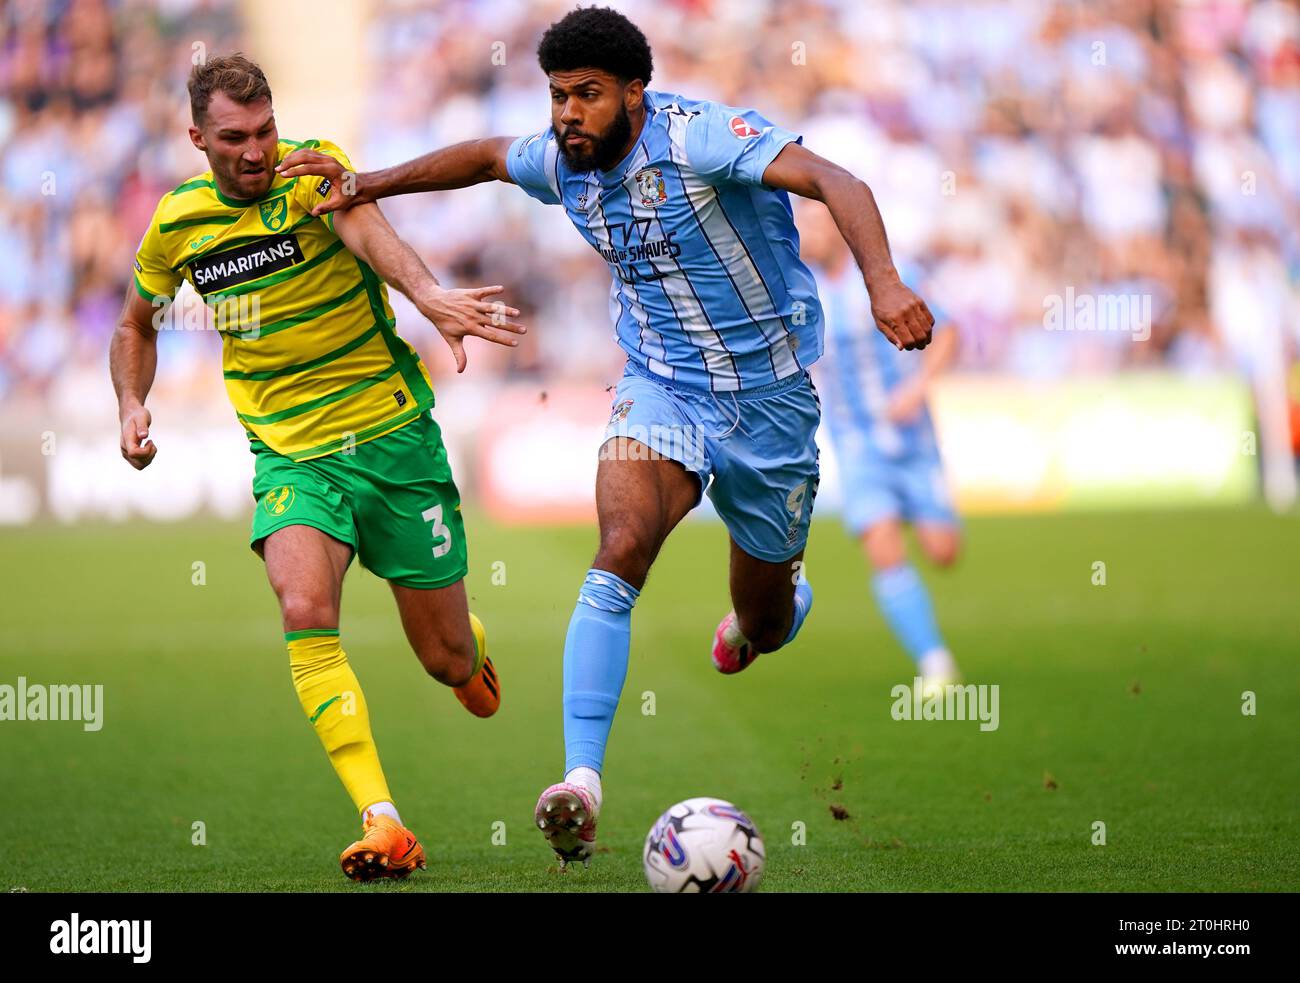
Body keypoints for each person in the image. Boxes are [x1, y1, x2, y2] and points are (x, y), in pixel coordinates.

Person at [279, 5, 933, 868]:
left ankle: (766, 613)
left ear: (634, 92)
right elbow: (482, 157)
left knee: (765, 622)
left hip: (770, 403)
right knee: (620, 543)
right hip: (660, 388)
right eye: (557, 96)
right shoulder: (563, 163)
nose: (567, 115)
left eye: (587, 95)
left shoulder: (703, 137)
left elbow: (838, 183)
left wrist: (884, 284)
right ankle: (580, 782)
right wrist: (368, 182)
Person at [109, 54, 522, 881]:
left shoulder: (311, 175)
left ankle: (467, 647)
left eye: (264, 130)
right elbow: (135, 326)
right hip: (291, 451)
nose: (258, 150)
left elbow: (372, 234)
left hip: (392, 436)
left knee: (444, 660)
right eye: (235, 138)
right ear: (198, 138)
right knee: (302, 601)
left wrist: (431, 298)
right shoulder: (178, 225)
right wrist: (130, 404)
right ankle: (384, 819)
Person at [800, 202, 961, 693]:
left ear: (837, 226)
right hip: (857, 445)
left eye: (811, 223)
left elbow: (949, 331)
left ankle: (914, 509)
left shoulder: (891, 274)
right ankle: (935, 663)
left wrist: (917, 389)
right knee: (884, 549)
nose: (803, 234)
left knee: (943, 551)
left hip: (913, 440)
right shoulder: (799, 292)